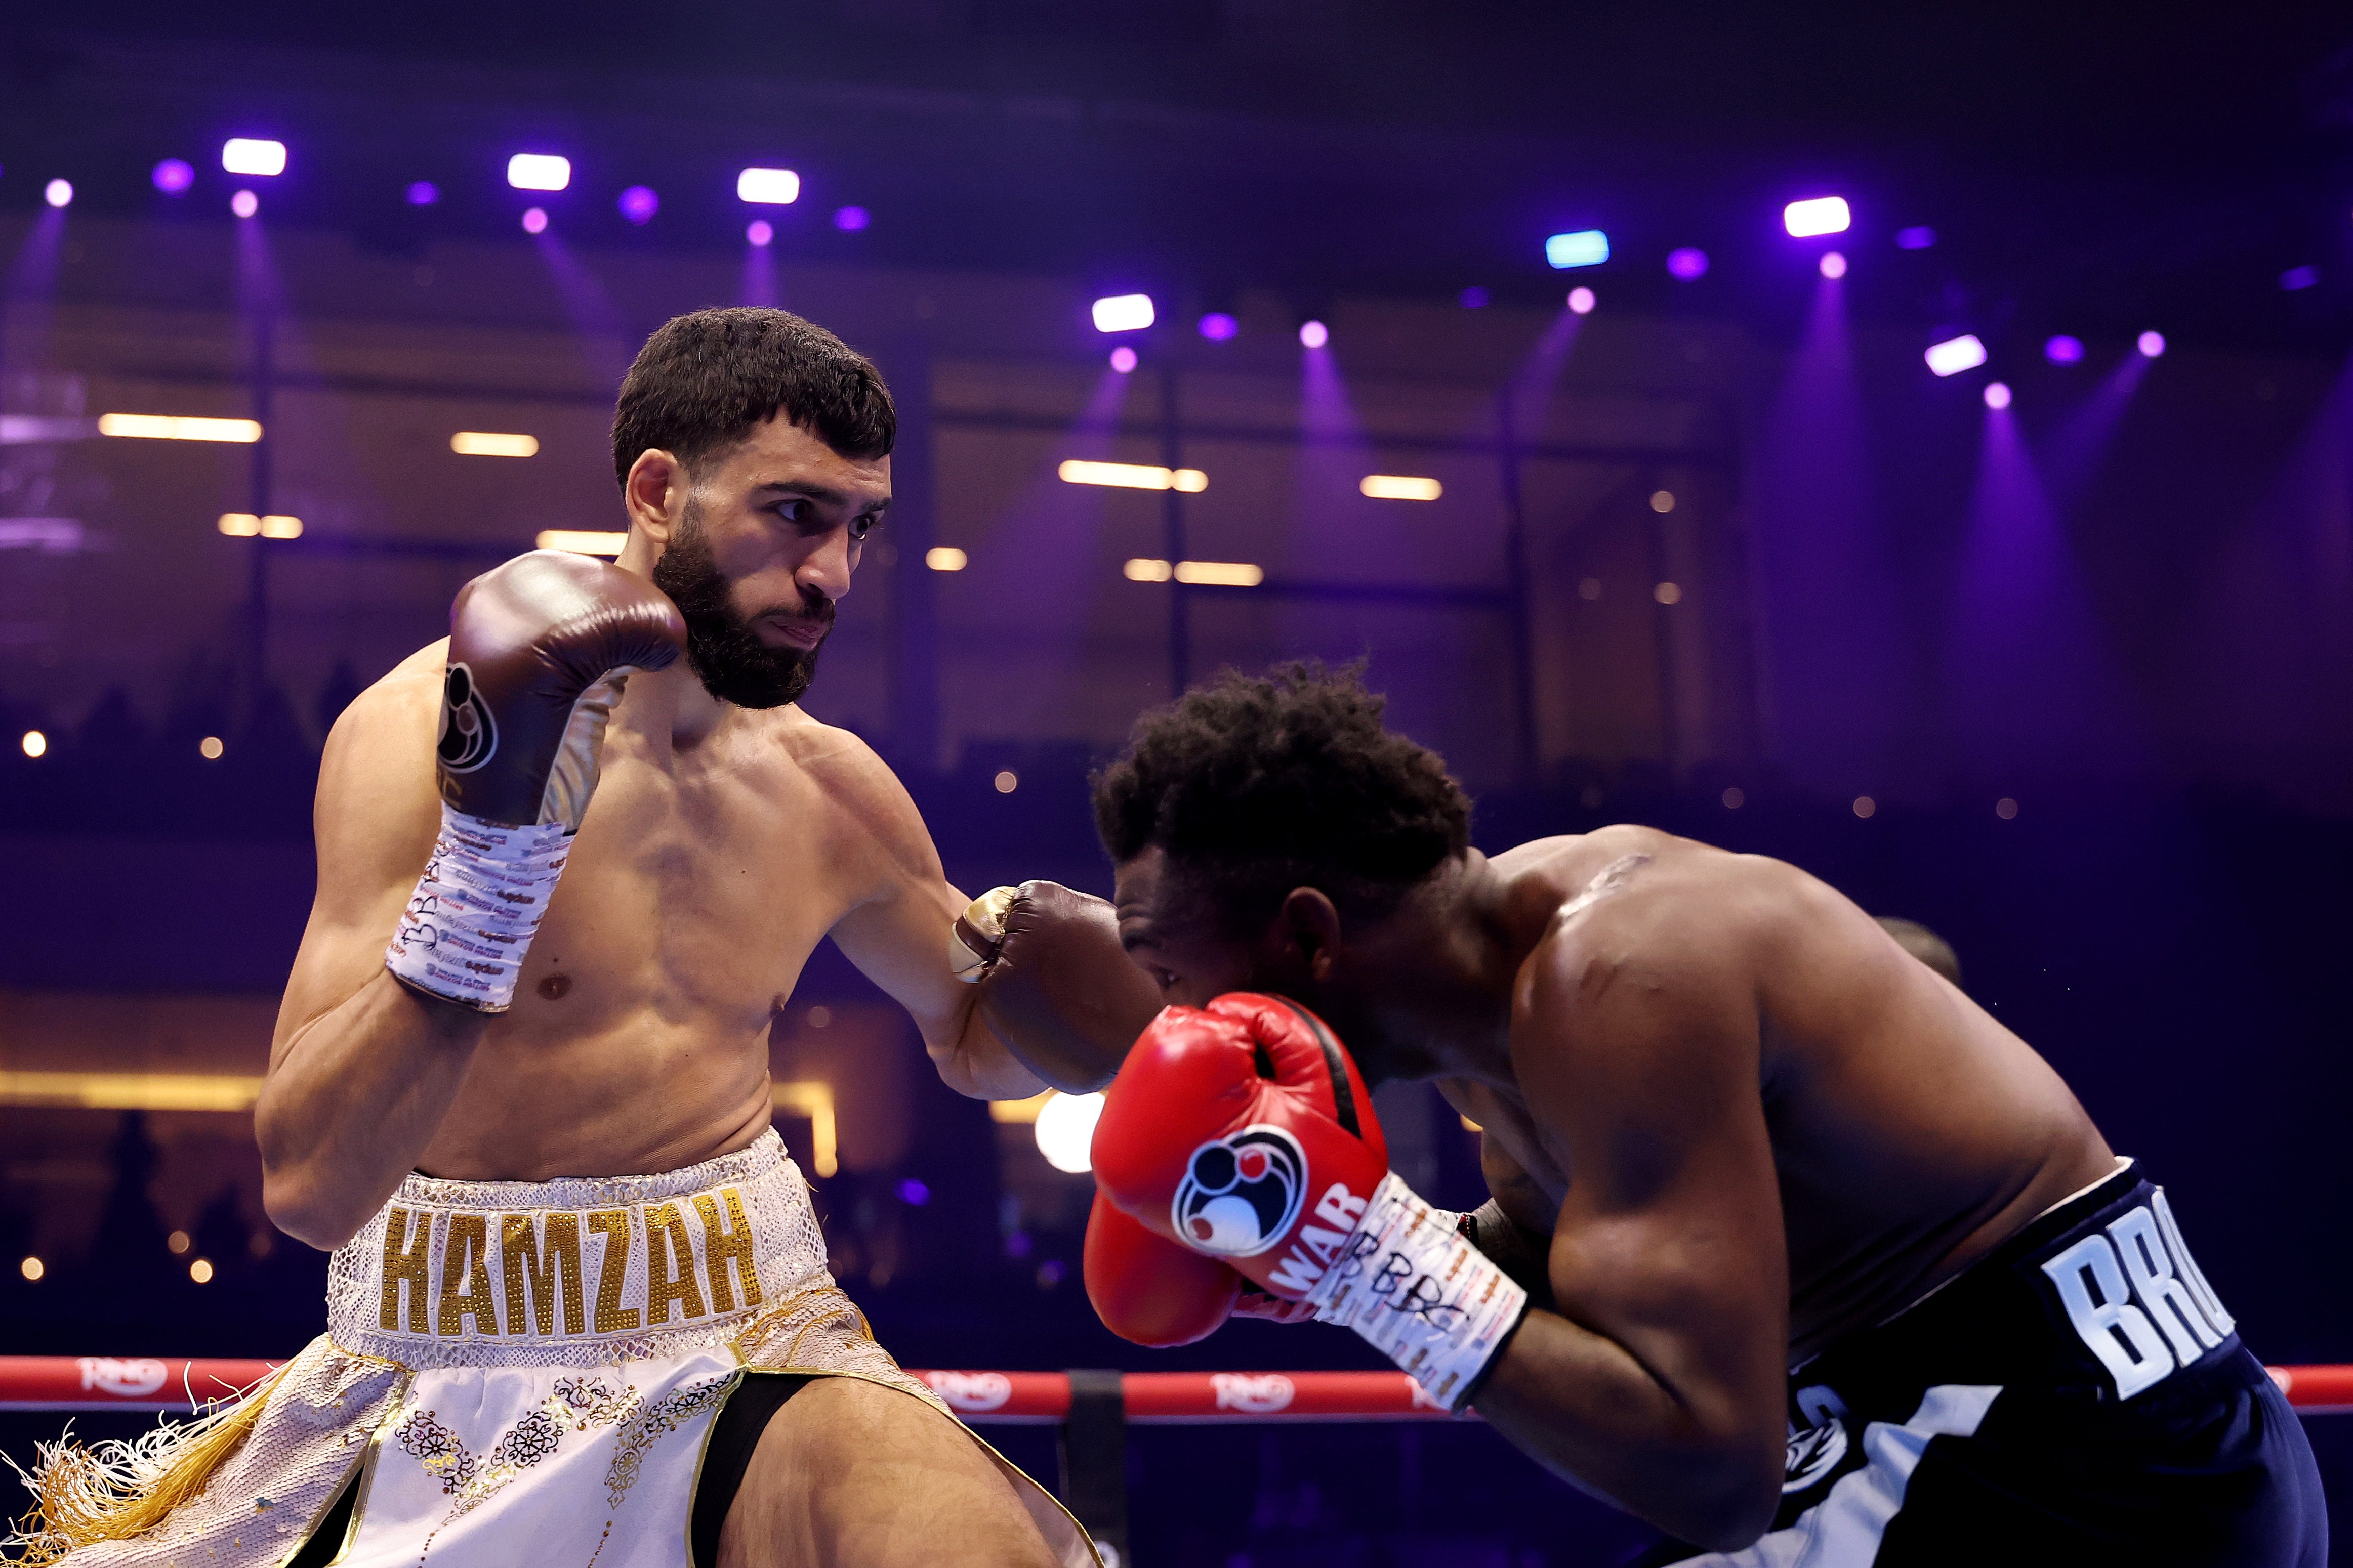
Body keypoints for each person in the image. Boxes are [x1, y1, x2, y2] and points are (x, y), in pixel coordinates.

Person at [12, 308, 1150, 1568]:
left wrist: (1111, 1009)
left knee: (962, 1543)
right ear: (658, 490)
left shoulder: (834, 791)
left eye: (859, 525)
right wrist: (493, 870)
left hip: (750, 1331)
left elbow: (976, 1034)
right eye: (793, 512)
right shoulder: (411, 737)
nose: (832, 572)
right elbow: (311, 1183)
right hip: (426, 1352)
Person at [1069, 663, 2325, 1565]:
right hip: (1981, 1419)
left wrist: (1363, 1252)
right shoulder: (1476, 1008)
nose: (1172, 1010)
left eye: (1168, 967)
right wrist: (1334, 1247)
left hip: (2084, 1451)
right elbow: (1594, 1251)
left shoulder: (1620, 973)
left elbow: (1715, 1473)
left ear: (1307, 933)